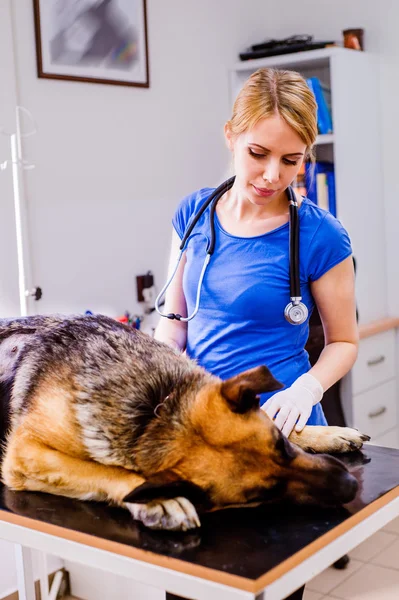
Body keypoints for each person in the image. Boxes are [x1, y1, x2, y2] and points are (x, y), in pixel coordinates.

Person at [155, 67, 358, 600]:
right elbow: (174, 320)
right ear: (231, 135)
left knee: (270, 582)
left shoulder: (320, 235)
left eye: (291, 161)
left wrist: (309, 388)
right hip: (201, 431)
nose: (272, 174)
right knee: (186, 583)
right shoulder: (193, 212)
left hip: (280, 434)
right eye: (258, 153)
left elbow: (343, 341)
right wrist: (157, 376)